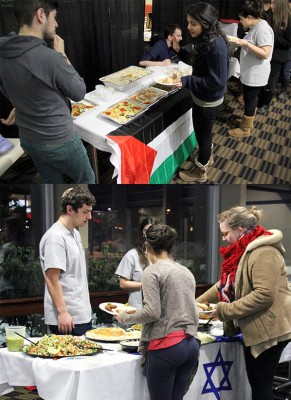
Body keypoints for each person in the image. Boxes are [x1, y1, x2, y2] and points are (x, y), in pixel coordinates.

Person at [196, 206, 291, 400]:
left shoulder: (264, 252)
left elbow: (264, 295)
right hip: (259, 327)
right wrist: (196, 303)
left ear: (240, 230)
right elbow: (225, 283)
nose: (223, 238)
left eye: (225, 233)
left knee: (260, 388)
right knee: (257, 384)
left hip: (269, 330)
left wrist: (223, 310)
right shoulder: (243, 250)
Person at [0, 0, 95, 184]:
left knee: (50, 182)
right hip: (59, 140)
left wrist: (20, 104)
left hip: (28, 138)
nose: (57, 24)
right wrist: (62, 54)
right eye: (55, 17)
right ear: (41, 15)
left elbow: (6, 85)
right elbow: (78, 92)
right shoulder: (50, 58)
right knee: (87, 181)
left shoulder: (3, 52)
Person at [116, 223, 200, 400]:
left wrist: (124, 317)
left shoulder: (151, 271)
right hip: (191, 344)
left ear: (147, 246)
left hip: (166, 346)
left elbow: (152, 312)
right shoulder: (185, 271)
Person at [176, 2, 229, 183]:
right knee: (205, 134)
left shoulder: (216, 46)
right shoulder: (207, 37)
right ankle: (207, 157)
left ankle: (200, 173)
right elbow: (198, 63)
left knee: (203, 137)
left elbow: (216, 81)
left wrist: (186, 81)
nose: (189, 27)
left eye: (193, 23)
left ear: (206, 23)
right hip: (204, 98)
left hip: (209, 102)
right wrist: (180, 52)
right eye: (188, 22)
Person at [39, 186, 96, 336]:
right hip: (67, 319)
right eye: (85, 212)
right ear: (70, 209)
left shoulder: (74, 233)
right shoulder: (55, 237)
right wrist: (63, 313)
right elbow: (51, 278)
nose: (89, 216)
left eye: (90, 211)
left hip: (80, 314)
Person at [228, 1, 274, 138]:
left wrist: (246, 44)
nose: (240, 22)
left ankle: (246, 129)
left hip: (257, 73)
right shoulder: (256, 26)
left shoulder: (263, 29)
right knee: (249, 98)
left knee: (250, 99)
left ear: (249, 17)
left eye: (241, 19)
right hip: (250, 71)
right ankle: (246, 122)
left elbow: (265, 53)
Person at [257, 0, 291, 114]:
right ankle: (260, 101)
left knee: (270, 82)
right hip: (264, 53)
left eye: (274, 3)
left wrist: (271, 36)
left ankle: (265, 105)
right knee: (262, 80)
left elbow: (287, 43)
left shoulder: (289, 20)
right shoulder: (269, 16)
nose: (271, 5)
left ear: (280, 5)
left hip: (277, 57)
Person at [115, 217, 155, 310]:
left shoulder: (161, 256)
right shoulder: (132, 255)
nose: (149, 234)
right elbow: (123, 284)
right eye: (146, 230)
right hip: (137, 309)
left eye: (152, 230)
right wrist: (145, 284)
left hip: (158, 310)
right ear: (142, 232)